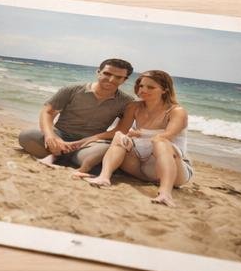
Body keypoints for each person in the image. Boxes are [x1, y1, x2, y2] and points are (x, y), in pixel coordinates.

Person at [76, 69, 193, 206]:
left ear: (165, 90)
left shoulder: (176, 111)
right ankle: (103, 178)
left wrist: (141, 134)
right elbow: (120, 130)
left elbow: (167, 135)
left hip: (173, 172)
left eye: (151, 87)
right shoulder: (134, 107)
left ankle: (165, 193)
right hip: (140, 168)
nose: (143, 90)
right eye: (141, 86)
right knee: (119, 137)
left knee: (160, 142)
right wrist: (93, 138)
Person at [17, 58, 135, 171]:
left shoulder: (127, 101)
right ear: (98, 72)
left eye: (118, 77)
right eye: (107, 74)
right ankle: (64, 155)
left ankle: (58, 155)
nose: (111, 79)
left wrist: (88, 140)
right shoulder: (72, 89)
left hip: (90, 143)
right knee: (27, 135)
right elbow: (48, 112)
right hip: (60, 135)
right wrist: (51, 136)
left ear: (124, 80)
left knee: (104, 149)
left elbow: (121, 130)